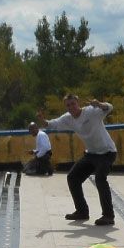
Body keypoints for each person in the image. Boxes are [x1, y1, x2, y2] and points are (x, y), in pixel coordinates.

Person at [36, 94, 117, 226]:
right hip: (91, 154)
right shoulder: (68, 118)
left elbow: (109, 108)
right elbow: (52, 124)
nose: (71, 107)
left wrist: (99, 104)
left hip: (107, 152)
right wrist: (42, 120)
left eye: (73, 104)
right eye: (68, 105)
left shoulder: (91, 111)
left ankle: (108, 216)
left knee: (100, 179)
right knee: (73, 177)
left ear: (77, 103)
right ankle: (82, 211)